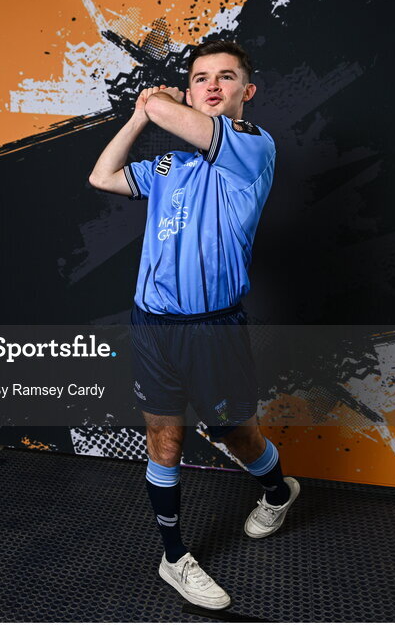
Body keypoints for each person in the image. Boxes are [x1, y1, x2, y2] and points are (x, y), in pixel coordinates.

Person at [87, 40, 299, 610]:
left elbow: (163, 111)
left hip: (214, 327)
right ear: (188, 90)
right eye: (200, 77)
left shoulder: (254, 149)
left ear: (245, 93)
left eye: (226, 77)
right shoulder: (167, 165)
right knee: (164, 438)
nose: (212, 85)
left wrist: (154, 103)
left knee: (235, 433)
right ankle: (174, 557)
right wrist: (136, 115)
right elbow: (102, 176)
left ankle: (279, 491)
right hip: (153, 324)